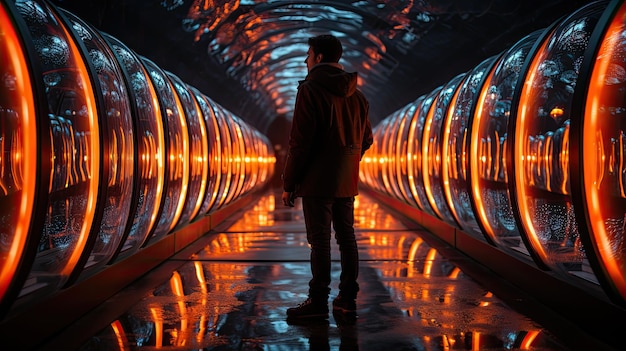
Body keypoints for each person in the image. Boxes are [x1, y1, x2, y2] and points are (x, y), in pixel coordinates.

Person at [281, 34, 373, 320]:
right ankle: (347, 298)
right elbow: (367, 139)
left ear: (319, 57)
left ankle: (318, 300)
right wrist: (347, 162)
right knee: (347, 238)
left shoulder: (309, 90)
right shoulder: (357, 96)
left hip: (317, 181)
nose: (306, 60)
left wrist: (289, 184)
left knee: (319, 240)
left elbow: (300, 143)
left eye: (308, 55)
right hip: (347, 181)